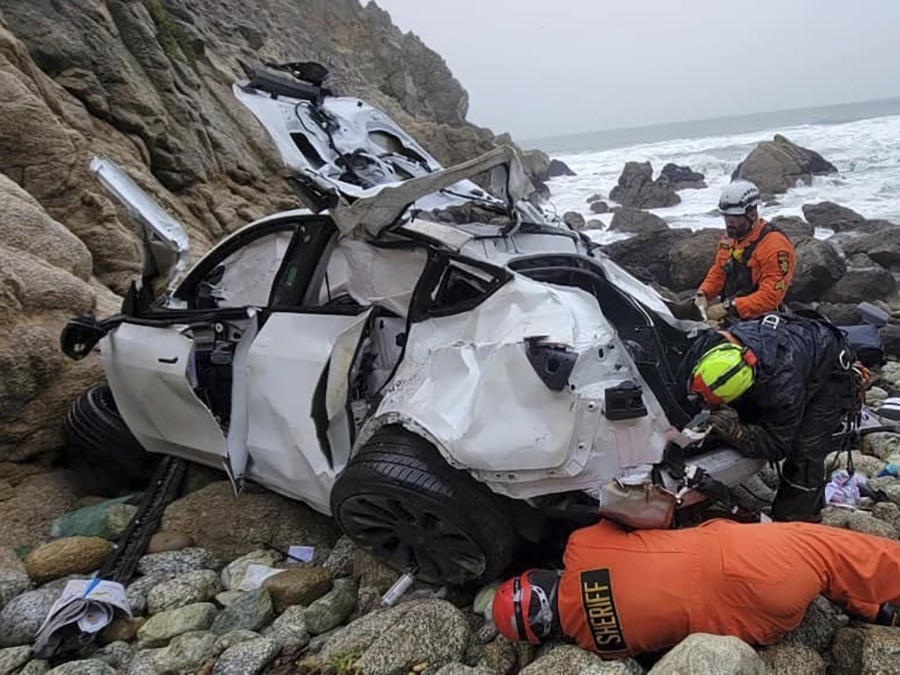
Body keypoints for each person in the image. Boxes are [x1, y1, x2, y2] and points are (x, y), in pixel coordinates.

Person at [491, 518, 900, 658]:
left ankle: (874, 610)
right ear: (537, 578)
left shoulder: (600, 645)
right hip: (756, 563)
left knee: (820, 571)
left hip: (766, 624)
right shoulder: (582, 548)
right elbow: (638, 512)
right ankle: (880, 593)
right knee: (835, 552)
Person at [684, 314, 858, 521]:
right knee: (741, 420)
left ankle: (794, 520)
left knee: (805, 451)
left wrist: (738, 432)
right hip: (794, 346)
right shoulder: (711, 345)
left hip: (829, 371)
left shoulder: (783, 390)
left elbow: (778, 445)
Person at [695, 180, 795, 323]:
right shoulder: (730, 239)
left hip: (763, 319)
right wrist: (703, 294)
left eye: (734, 218)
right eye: (726, 217)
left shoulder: (775, 246)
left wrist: (728, 307)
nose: (729, 223)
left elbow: (770, 297)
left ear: (752, 215)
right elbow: (719, 270)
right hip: (733, 312)